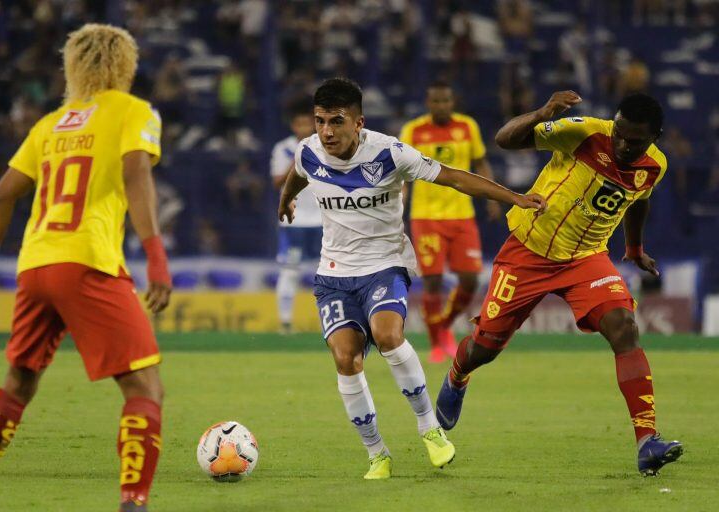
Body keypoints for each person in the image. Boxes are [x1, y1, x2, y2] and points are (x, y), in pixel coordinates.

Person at [278, 78, 545, 479]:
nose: (326, 131)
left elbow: (455, 176)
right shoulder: (309, 151)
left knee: (387, 336)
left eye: (336, 121)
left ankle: (429, 428)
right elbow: (297, 173)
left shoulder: (389, 152)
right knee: (345, 359)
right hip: (333, 275)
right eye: (320, 122)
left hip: (384, 264)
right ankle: (377, 454)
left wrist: (516, 198)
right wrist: (286, 200)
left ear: (359, 122)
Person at [0, 24, 172, 512]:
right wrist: (156, 256)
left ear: (71, 66)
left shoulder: (50, 125)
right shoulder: (133, 111)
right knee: (144, 386)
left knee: (19, 382)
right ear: (125, 65)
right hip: (88, 260)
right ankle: (133, 502)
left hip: (34, 265)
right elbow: (136, 174)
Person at [435, 91, 684, 476]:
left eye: (633, 141)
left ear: (654, 138)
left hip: (587, 259)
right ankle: (457, 375)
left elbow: (639, 200)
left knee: (625, 329)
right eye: (619, 133)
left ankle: (647, 441)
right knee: (484, 348)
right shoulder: (583, 133)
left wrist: (633, 248)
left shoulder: (655, 165)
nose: (621, 144)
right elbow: (505, 139)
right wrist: (541, 113)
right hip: (528, 252)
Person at [399, 81, 501, 363]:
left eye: (445, 101)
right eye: (436, 101)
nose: (441, 106)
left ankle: (444, 325)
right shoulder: (413, 130)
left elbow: (480, 163)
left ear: (452, 102)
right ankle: (436, 344)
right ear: (428, 103)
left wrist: (491, 197)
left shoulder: (467, 126)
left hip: (462, 215)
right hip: (426, 216)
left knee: (470, 279)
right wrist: (399, 207)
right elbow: (403, 174)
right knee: (432, 281)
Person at [270, 100, 319, 334]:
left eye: (307, 123)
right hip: (294, 221)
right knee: (290, 271)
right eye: (299, 124)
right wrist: (297, 160)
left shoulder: (325, 146)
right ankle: (286, 323)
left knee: (328, 272)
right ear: (293, 126)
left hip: (322, 219)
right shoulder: (283, 149)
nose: (303, 128)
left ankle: (330, 322)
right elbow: (277, 182)